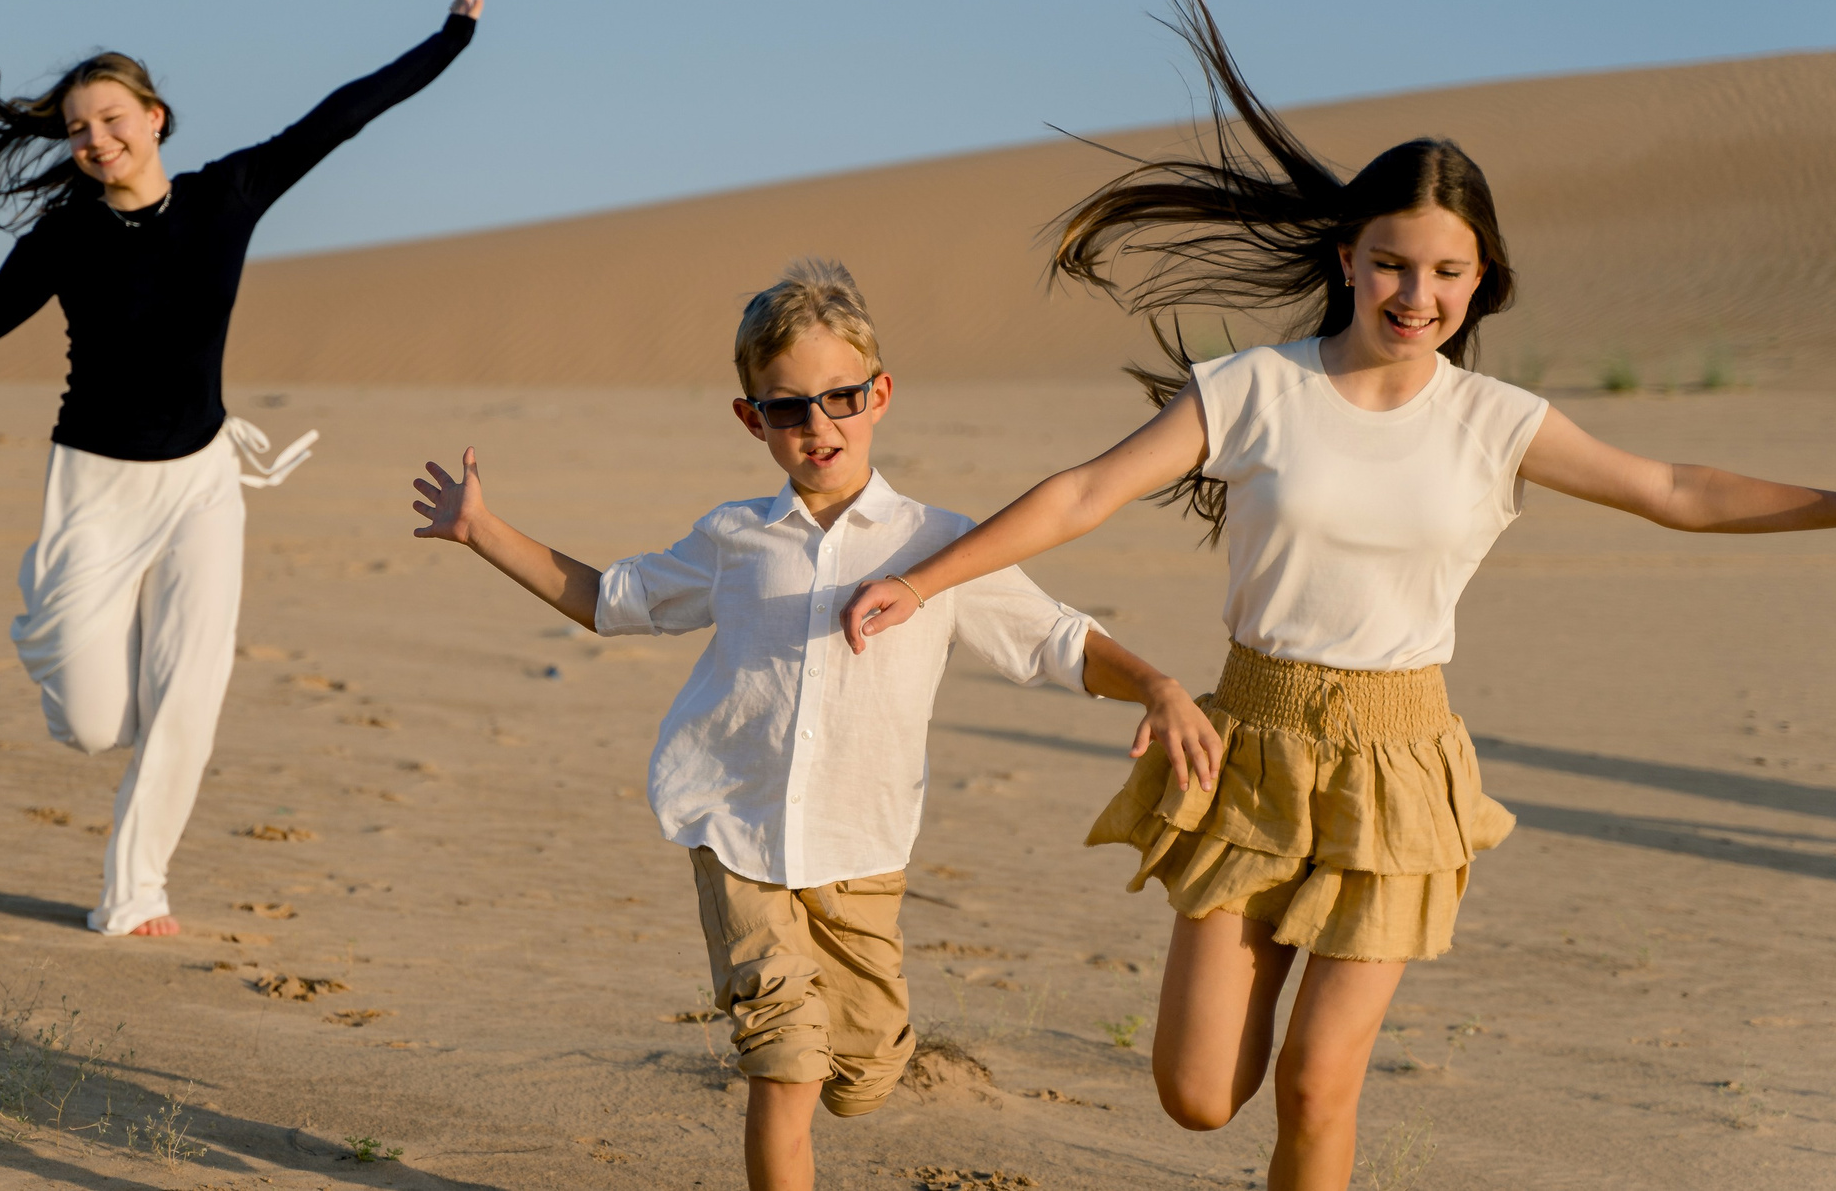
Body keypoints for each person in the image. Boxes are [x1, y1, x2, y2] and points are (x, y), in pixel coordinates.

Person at [838, 0, 1836, 1191]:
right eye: (1394, 266)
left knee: (1317, 1087)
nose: (1419, 296)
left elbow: (1672, 488)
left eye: (1448, 273)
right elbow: (1084, 491)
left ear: (1482, 281)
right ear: (1349, 259)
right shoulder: (1257, 389)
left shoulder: (1494, 421)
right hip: (1246, 749)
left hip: (1401, 768)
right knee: (1198, 1096)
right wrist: (927, 582)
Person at [409, 259, 1224, 1191]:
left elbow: (1061, 642)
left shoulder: (940, 544)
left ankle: (871, 1050)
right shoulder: (732, 540)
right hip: (738, 830)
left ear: (880, 394)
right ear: (751, 418)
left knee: (863, 1073)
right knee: (785, 1066)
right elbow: (610, 599)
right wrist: (485, 530)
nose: (818, 426)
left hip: (863, 852)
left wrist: (1157, 684)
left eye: (840, 397)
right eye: (788, 408)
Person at [0, 0, 485, 938]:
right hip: (94, 488)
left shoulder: (229, 196)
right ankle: (78, 643)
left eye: (113, 118)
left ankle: (134, 893)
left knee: (190, 692)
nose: (97, 139)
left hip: (204, 481)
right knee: (93, 722)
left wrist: (450, 40)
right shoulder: (62, 240)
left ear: (156, 117)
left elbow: (342, 117)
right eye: (80, 128)